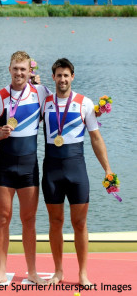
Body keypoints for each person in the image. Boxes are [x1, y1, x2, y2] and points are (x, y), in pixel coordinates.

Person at [41, 58, 113, 286]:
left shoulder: (84, 103)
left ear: (72, 77)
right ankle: (58, 271)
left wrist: (107, 170)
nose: (62, 79)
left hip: (76, 171)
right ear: (53, 78)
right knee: (55, 222)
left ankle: (83, 274)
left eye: (66, 75)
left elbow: (96, 138)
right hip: (51, 170)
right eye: (58, 75)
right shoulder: (44, 101)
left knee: (80, 223)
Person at [0, 51, 51, 285]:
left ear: (29, 71)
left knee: (29, 220)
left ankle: (32, 272)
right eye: (15, 68)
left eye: (23, 69)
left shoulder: (41, 93)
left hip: (28, 167)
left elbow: (58, 107)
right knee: (3, 218)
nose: (19, 73)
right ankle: (1, 271)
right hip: (4, 166)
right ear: (9, 69)